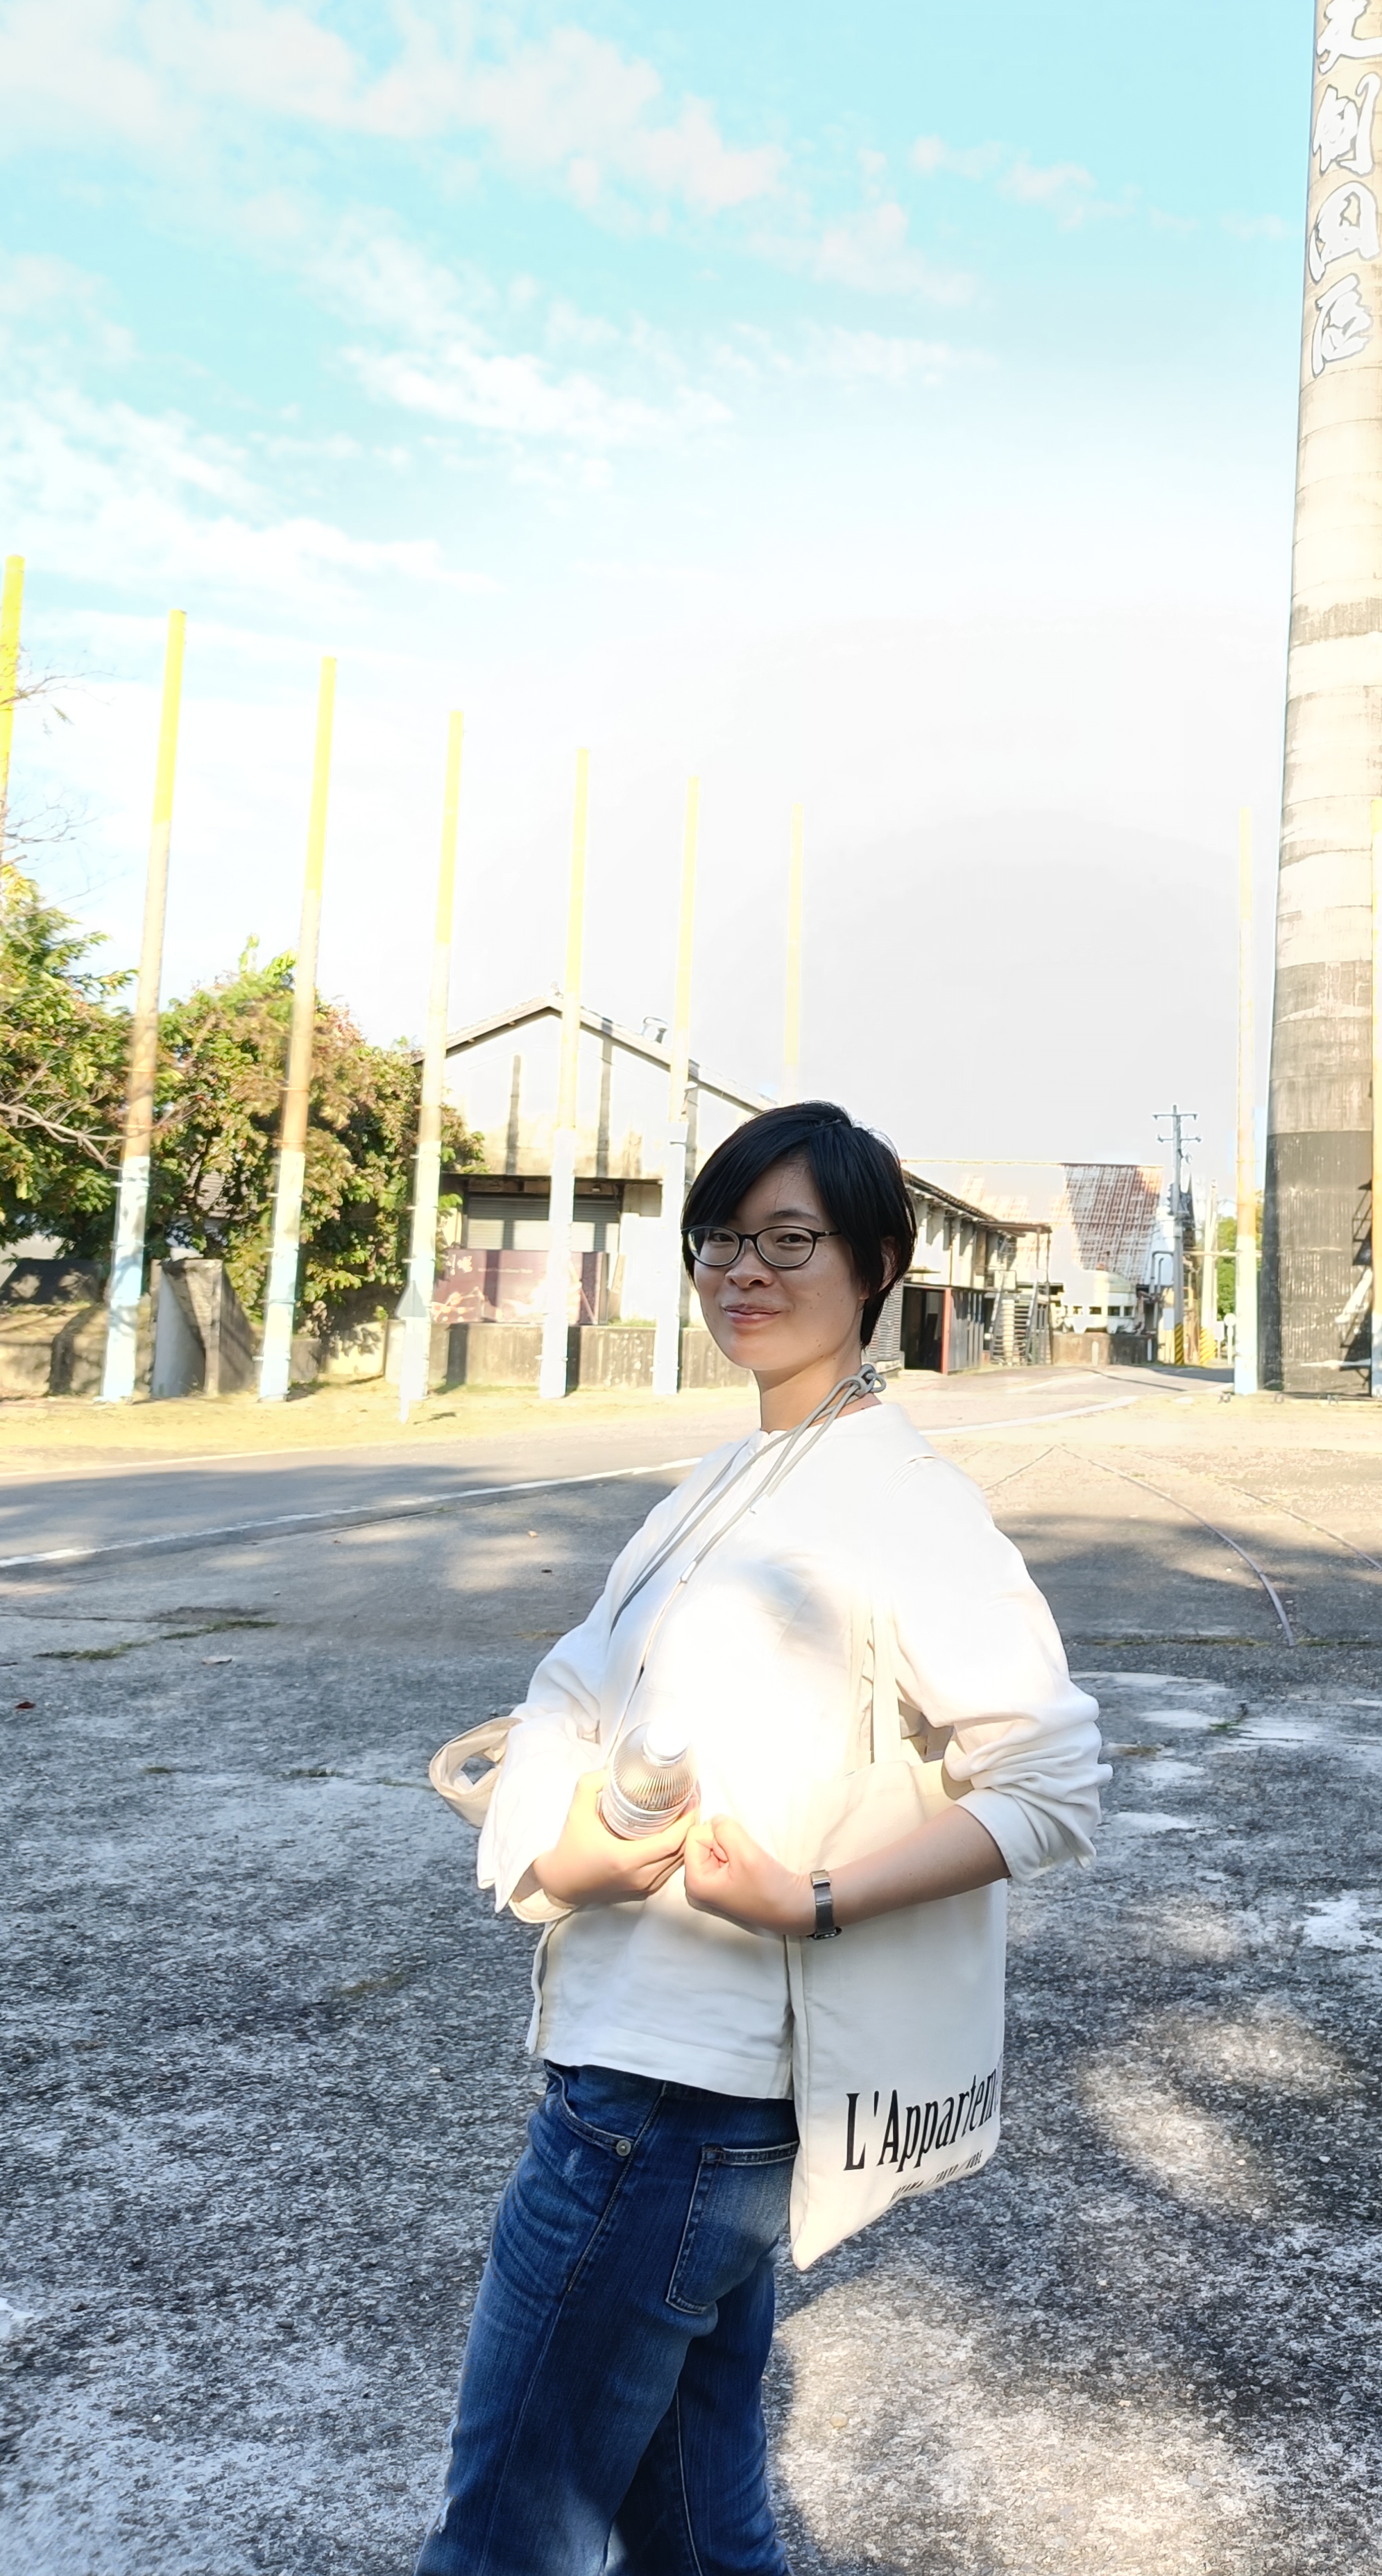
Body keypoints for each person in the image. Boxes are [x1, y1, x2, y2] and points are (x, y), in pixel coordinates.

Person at [418, 1101, 1102, 2576]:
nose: (743, 1270)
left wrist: (818, 1898)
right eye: (721, 1238)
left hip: (677, 2099)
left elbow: (1050, 1780)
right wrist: (562, 1856)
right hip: (653, 2072)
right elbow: (572, 1690)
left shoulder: (904, 1501)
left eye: (790, 1240)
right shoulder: (731, 1476)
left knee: (506, 2533)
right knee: (692, 2524)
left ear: (878, 1265)